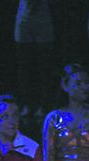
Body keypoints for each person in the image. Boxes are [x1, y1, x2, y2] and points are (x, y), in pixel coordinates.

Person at [14, 0, 56, 137]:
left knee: (43, 66)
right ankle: (27, 103)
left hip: (43, 18)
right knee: (25, 65)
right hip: (24, 17)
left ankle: (43, 105)